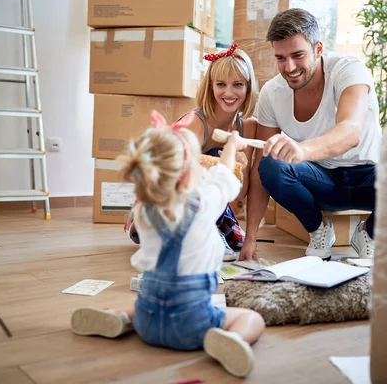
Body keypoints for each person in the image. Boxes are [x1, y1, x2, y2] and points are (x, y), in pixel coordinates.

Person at [70, 111, 265, 378]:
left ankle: (120, 316)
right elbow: (224, 178)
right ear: (188, 174)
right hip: (190, 327)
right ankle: (234, 340)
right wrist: (231, 146)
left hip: (148, 322)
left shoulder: (143, 211)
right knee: (251, 318)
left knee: (146, 299)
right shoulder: (203, 203)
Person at [239, 8, 382, 262]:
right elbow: (262, 170)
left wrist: (302, 149)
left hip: (370, 181)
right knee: (270, 163)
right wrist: (250, 238)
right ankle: (318, 229)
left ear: (318, 49)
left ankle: (369, 234)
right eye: (281, 58)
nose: (289, 67)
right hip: (322, 181)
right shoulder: (272, 93)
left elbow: (351, 131)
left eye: (297, 55)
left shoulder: (348, 70)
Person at [179, 44, 259, 262]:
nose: (229, 93)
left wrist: (240, 168)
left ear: (248, 87)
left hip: (209, 206)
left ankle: (218, 226)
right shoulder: (195, 122)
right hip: (169, 207)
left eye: (238, 85)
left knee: (221, 160)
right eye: (221, 84)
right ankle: (207, 233)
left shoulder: (248, 127)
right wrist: (223, 161)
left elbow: (240, 193)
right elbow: (171, 177)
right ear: (210, 87)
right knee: (211, 155)